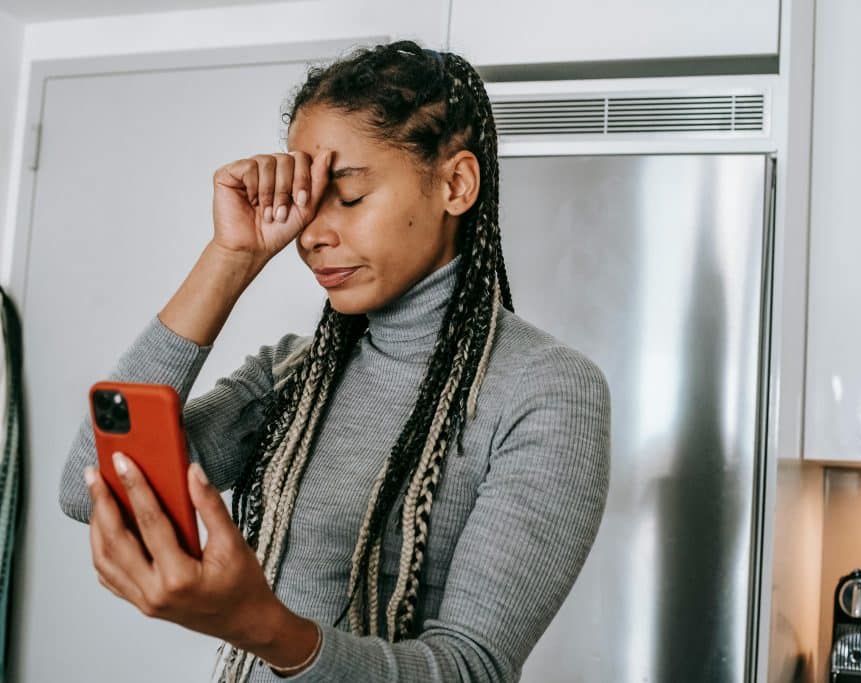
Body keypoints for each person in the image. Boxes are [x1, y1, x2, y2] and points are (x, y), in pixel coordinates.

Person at [57, 39, 611, 682]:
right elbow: (88, 485)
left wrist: (260, 628)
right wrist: (230, 255)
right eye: (308, 201)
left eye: (347, 197)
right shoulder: (293, 375)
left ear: (456, 184)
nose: (313, 235)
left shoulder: (545, 391)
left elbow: (472, 670)